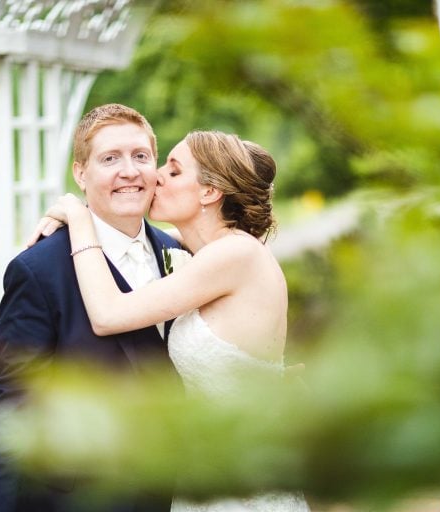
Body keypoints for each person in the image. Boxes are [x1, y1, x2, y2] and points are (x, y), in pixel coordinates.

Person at [36, 130, 310, 512]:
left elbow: (108, 315)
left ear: (210, 192)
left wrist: (80, 219)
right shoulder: (201, 250)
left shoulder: (235, 255)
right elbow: (129, 241)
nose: (157, 175)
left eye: (175, 170)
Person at [0, 104, 181, 512]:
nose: (130, 171)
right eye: (109, 158)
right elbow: (14, 414)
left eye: (140, 156)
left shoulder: (179, 253)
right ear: (80, 173)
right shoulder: (38, 271)